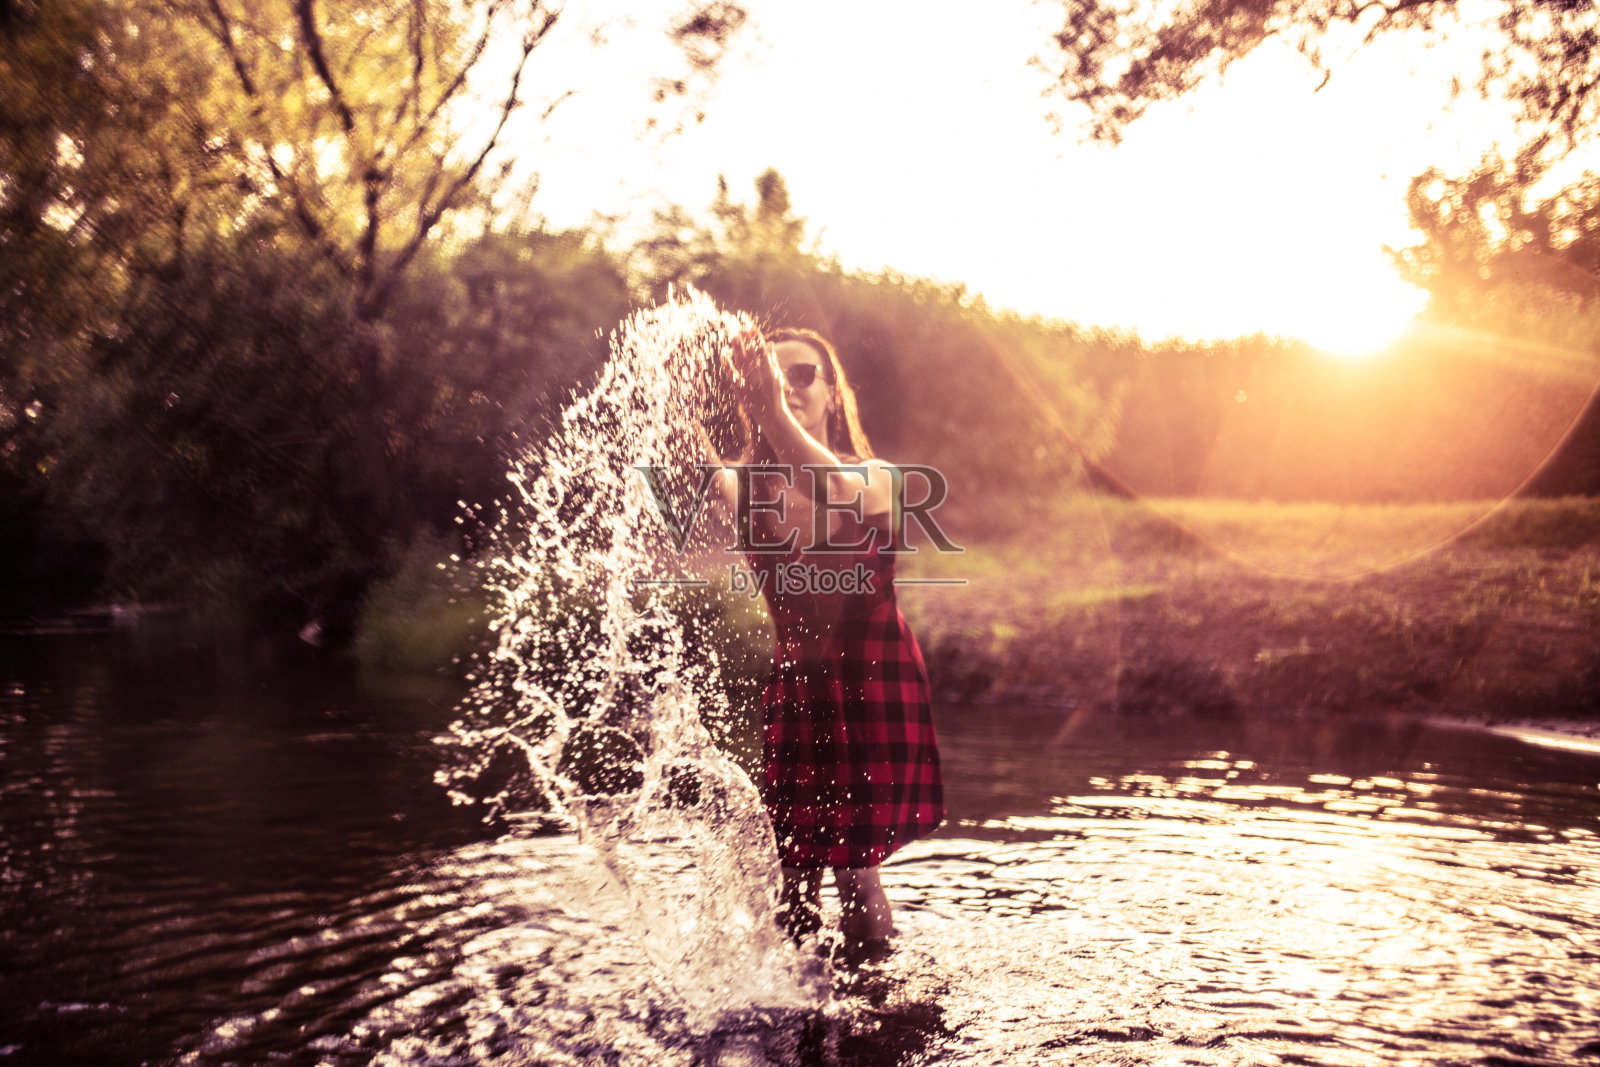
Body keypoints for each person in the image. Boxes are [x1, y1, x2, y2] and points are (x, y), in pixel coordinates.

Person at [702, 326, 944, 955]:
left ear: (833, 393)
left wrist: (772, 412)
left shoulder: (877, 477)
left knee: (856, 875)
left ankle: (876, 1010)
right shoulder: (746, 485)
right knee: (793, 878)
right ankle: (802, 1009)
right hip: (798, 690)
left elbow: (833, 487)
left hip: (872, 684)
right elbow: (687, 458)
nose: (789, 386)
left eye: (804, 374)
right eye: (775, 376)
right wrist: (684, 375)